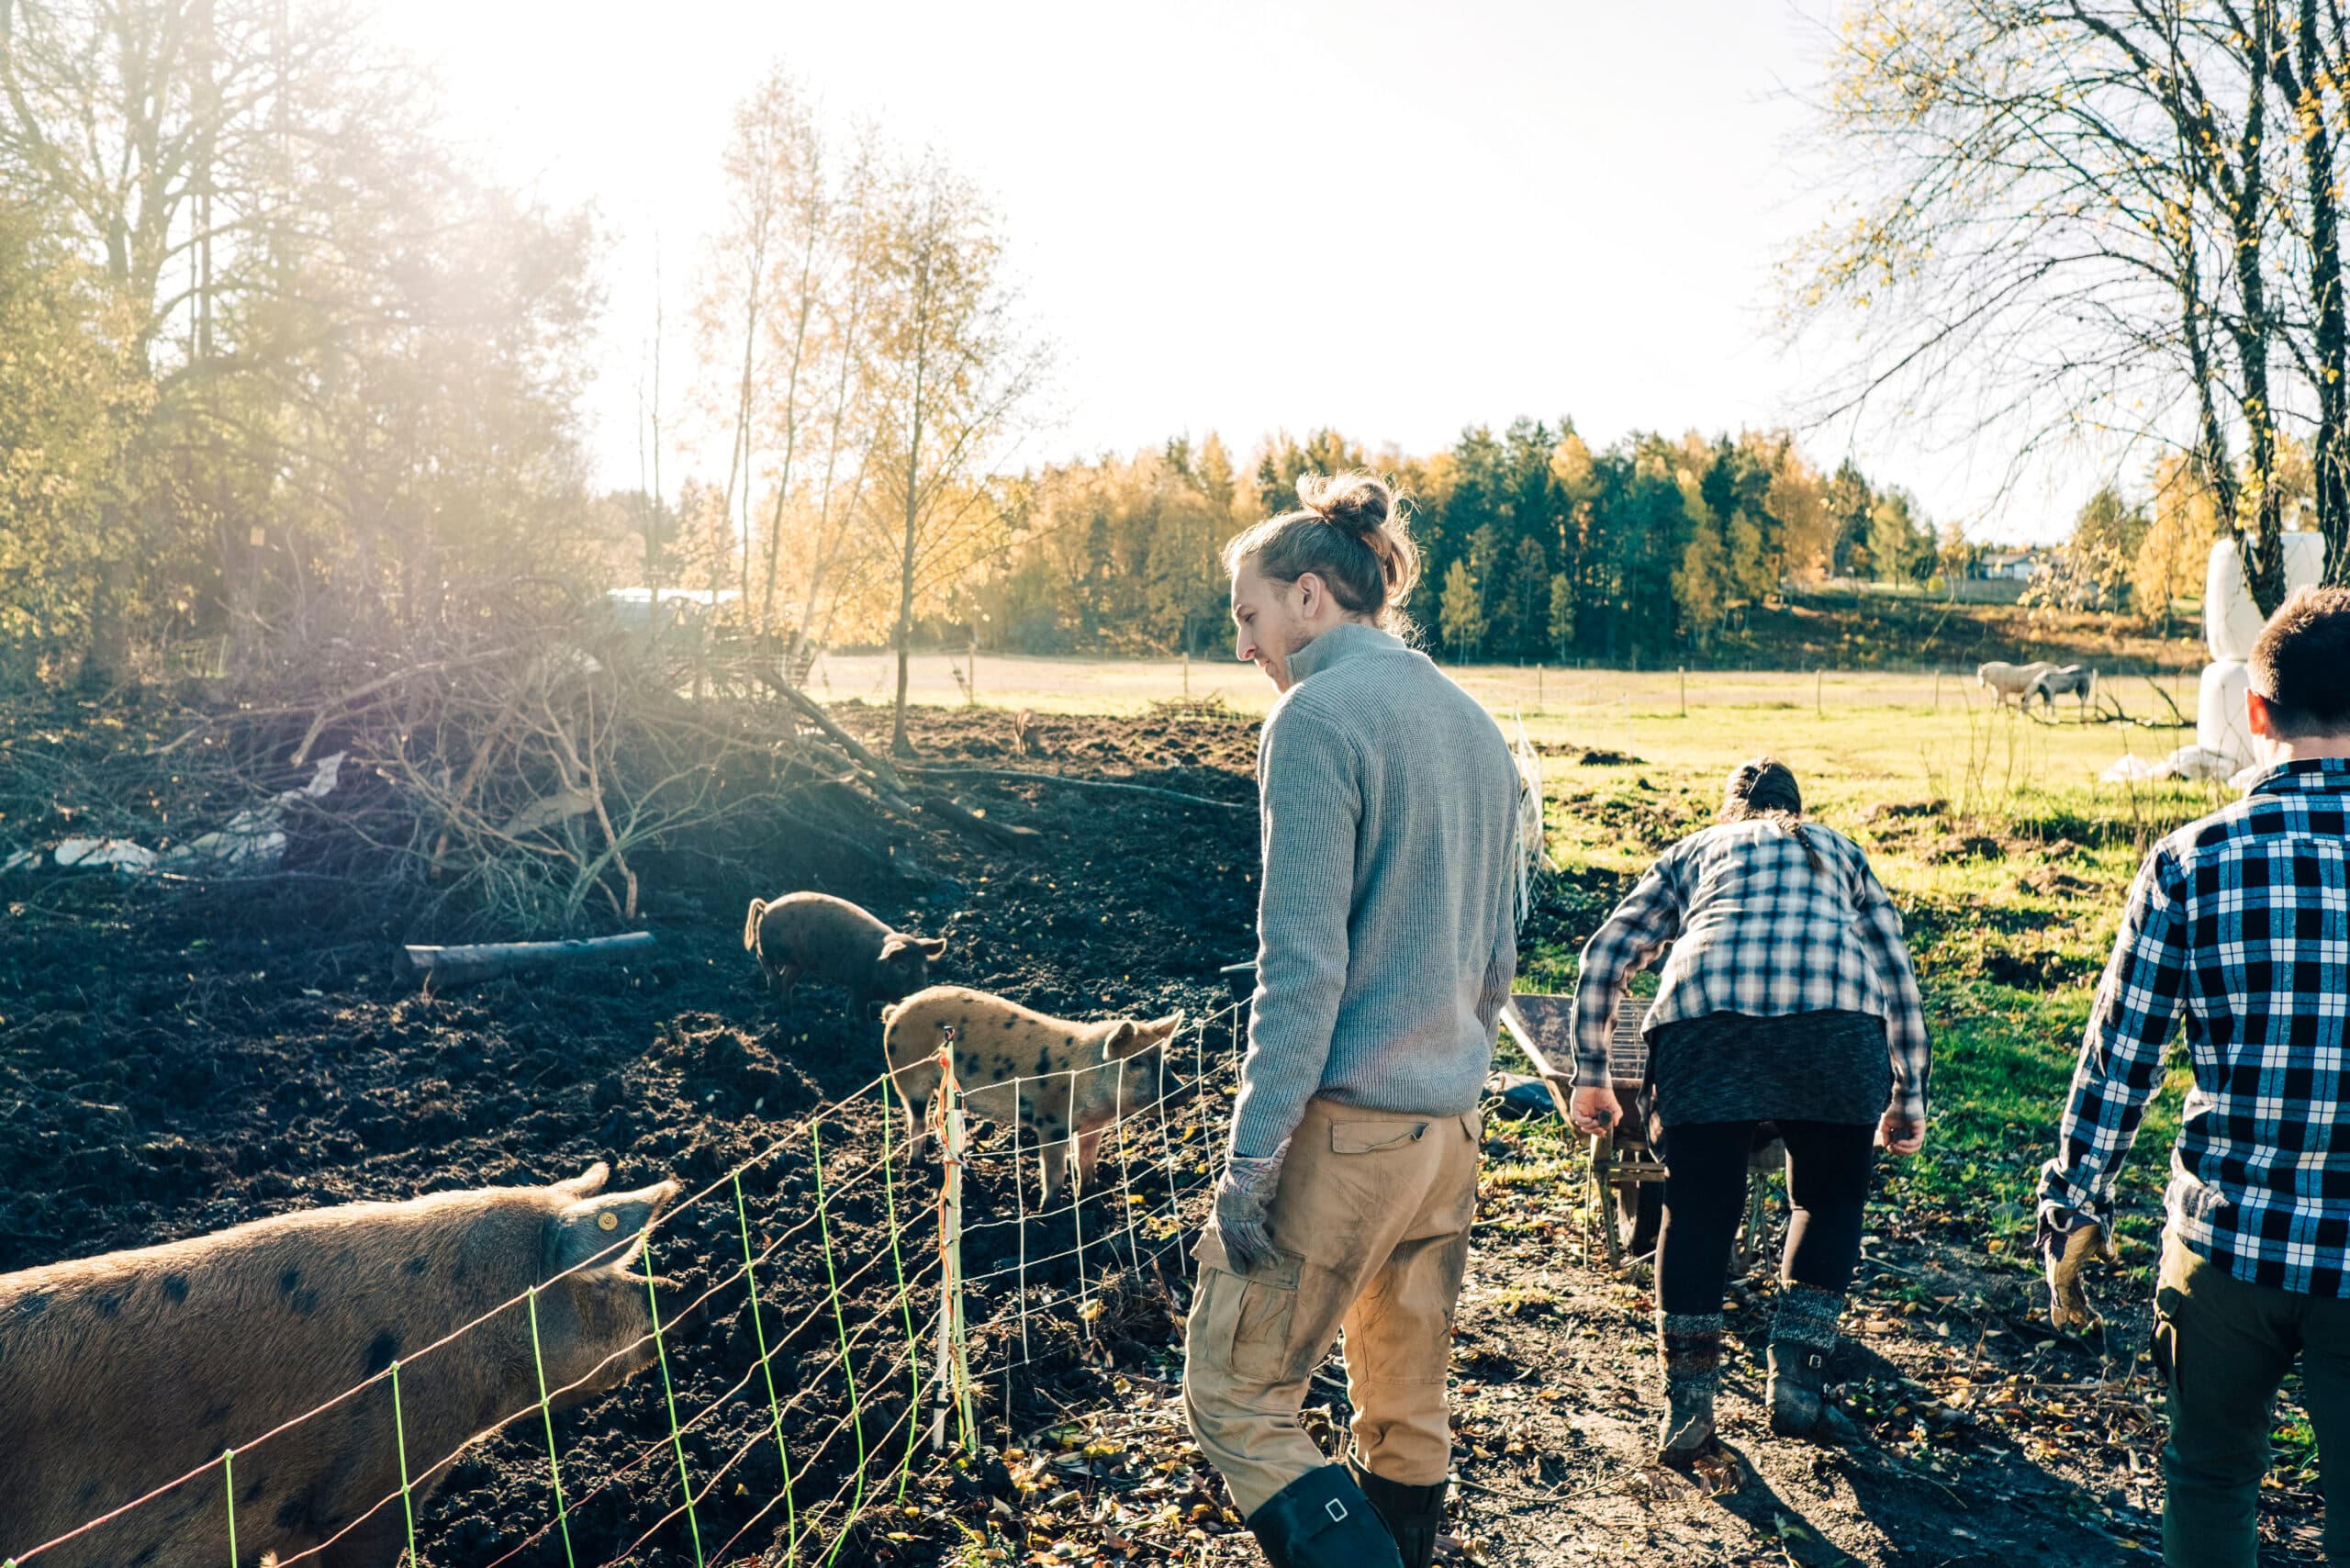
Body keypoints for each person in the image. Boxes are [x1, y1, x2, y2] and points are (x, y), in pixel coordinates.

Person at [1181, 471, 1522, 1568]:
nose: (1243, 644)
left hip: (1351, 1130)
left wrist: (1250, 1161)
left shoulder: (1314, 717)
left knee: (1235, 1397)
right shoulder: (1473, 723)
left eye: (1248, 613)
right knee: (1406, 1406)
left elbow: (1301, 972)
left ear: (1311, 598)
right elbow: (1496, 963)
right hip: (1448, 1130)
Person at [2040, 585, 2350, 1568]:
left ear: (2254, 713)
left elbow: (2115, 1062)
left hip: (2223, 1249)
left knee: (2210, 1476)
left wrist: (2071, 1209)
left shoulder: (2189, 861)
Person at [1567, 758, 1930, 1472]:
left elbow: (1606, 954)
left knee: (1696, 1216)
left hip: (1706, 1032)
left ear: (1730, 810)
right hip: (1835, 1033)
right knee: (1826, 1203)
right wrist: (1906, 1094)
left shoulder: (1696, 850)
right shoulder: (1840, 852)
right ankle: (1796, 1383)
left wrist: (1592, 1077)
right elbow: (1896, 975)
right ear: (1799, 809)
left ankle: (1689, 1409)